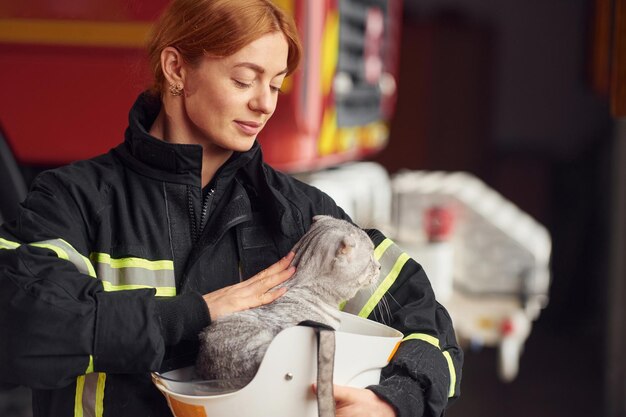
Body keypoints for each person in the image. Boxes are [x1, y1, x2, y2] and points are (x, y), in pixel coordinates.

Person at [0, 0, 462, 416]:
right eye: (244, 80)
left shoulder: (299, 215)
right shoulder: (72, 200)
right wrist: (197, 312)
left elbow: (430, 328)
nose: (264, 104)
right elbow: (22, 327)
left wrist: (393, 401)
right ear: (177, 69)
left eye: (276, 85)